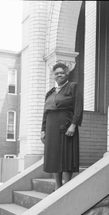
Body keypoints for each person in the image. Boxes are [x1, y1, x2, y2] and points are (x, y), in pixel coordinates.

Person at [41, 62, 83, 190]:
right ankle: (58, 186)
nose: (59, 75)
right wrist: (43, 131)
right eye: (57, 73)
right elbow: (45, 113)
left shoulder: (73, 87)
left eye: (62, 72)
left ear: (67, 73)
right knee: (54, 157)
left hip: (66, 126)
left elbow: (78, 107)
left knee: (67, 156)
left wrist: (73, 125)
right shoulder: (50, 93)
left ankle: (67, 186)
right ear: (54, 75)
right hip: (51, 128)